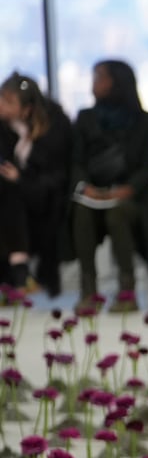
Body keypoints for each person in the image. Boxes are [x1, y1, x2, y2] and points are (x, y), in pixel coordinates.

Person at [69, 59, 148, 310]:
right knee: (82, 212)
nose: (94, 84)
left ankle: (126, 291)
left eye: (100, 77)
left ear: (118, 82)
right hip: (93, 193)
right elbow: (76, 161)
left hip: (133, 197)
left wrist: (126, 189)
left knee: (116, 212)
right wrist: (85, 187)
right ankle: (88, 291)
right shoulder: (86, 118)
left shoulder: (144, 121)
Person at [0, 72, 71, 294]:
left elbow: (58, 175)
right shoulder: (3, 127)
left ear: (27, 109)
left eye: (8, 102)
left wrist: (21, 178)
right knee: (9, 194)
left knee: (12, 193)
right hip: (10, 198)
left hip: (46, 198)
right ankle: (18, 271)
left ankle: (20, 273)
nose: (1, 105)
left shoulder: (55, 125)